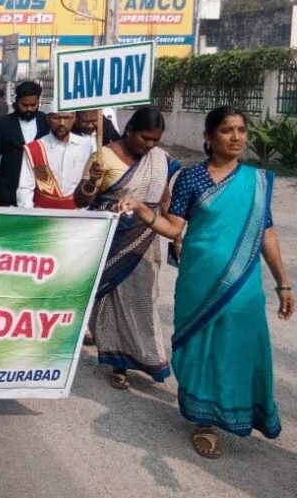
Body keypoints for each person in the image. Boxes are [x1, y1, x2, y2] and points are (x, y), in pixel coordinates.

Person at [117, 106, 292, 459]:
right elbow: (173, 229)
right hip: (199, 281)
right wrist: (142, 210)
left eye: (241, 130)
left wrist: (283, 283)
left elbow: (267, 232)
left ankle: (239, 410)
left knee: (240, 349)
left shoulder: (257, 181)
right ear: (209, 137)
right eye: (227, 130)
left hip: (244, 285)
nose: (236, 137)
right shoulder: (191, 178)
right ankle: (204, 421)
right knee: (200, 350)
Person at [72, 107, 179, 390]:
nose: (150, 145)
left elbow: (165, 201)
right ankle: (117, 362)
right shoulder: (103, 156)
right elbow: (80, 200)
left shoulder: (160, 159)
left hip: (144, 242)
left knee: (143, 300)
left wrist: (176, 237)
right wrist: (92, 181)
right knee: (109, 301)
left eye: (155, 140)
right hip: (110, 240)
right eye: (145, 138)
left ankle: (146, 356)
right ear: (129, 130)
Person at [16, 106, 94, 209]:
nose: (61, 123)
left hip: (77, 212)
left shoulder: (86, 146)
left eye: (66, 118)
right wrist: (29, 214)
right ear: (48, 119)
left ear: (74, 118)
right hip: (43, 212)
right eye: (56, 118)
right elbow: (25, 188)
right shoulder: (35, 149)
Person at [0, 80, 50, 207]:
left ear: (38, 102)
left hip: (41, 188)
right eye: (24, 105)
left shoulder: (45, 121)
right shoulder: (2, 124)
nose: (29, 109)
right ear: (16, 102)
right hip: (9, 190)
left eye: (33, 105)